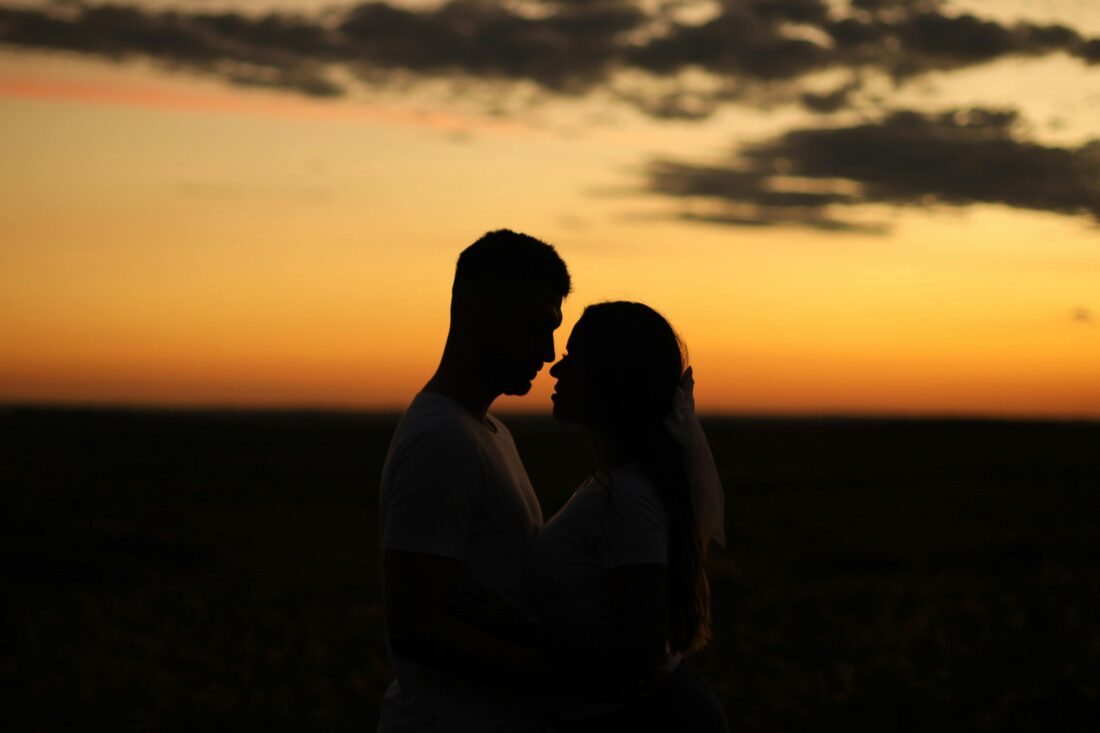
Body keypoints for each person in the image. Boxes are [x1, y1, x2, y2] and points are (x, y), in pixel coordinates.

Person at [378, 229, 571, 732]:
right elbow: (415, 627)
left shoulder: (488, 432)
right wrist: (558, 672)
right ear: (474, 308)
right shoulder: (442, 441)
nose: (548, 352)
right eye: (535, 327)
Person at [529, 301, 729, 732]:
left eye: (572, 359)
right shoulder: (618, 486)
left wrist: (514, 642)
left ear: (609, 379)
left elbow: (639, 659)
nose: (555, 370)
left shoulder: (626, 500)